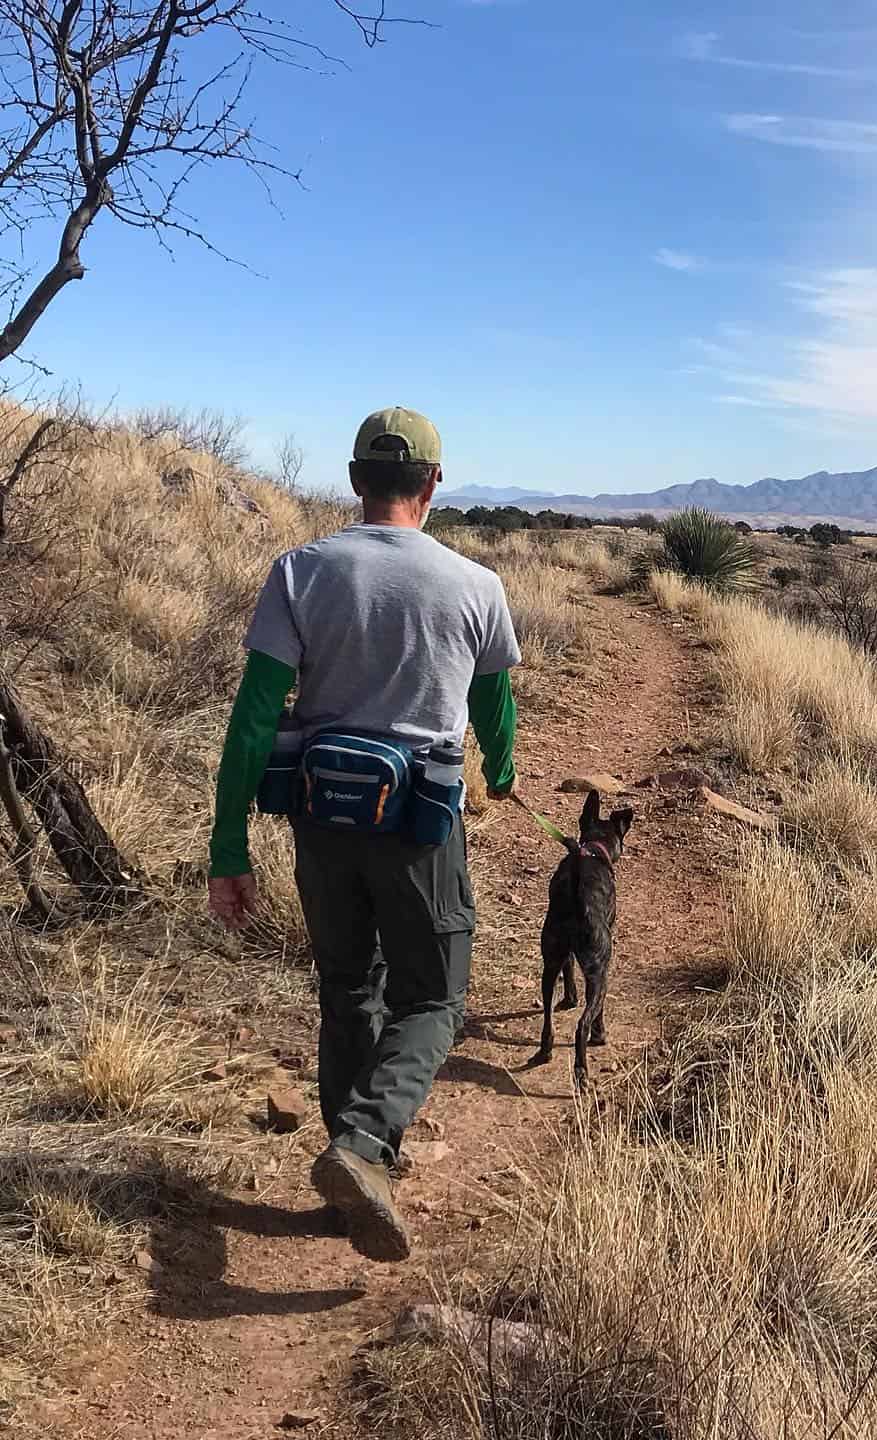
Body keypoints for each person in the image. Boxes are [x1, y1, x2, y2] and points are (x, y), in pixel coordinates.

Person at [207, 406, 520, 1262]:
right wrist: (504, 770)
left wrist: (227, 849)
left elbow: (252, 719)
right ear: (433, 486)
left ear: (354, 480)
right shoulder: (476, 586)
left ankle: (353, 1168)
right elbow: (495, 710)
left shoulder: (299, 572)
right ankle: (366, 1143)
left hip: (322, 819)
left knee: (349, 986)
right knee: (434, 996)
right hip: (419, 823)